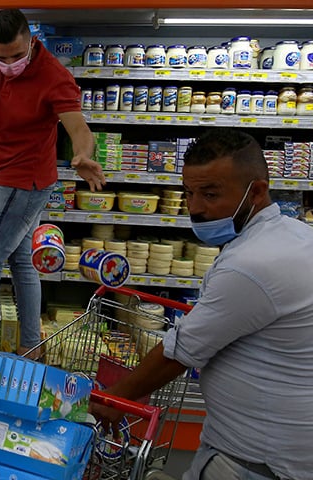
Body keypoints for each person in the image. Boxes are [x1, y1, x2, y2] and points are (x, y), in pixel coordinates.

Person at [92, 128, 313, 480]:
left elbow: (182, 351)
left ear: (256, 191)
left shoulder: (252, 265)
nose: (195, 208)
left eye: (210, 194)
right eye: (189, 193)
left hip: (255, 462)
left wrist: (114, 401)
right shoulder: (294, 235)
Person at [0, 8, 105, 356]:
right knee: (21, 260)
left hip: (23, 180)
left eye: (17, 55)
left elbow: (79, 129)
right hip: (7, 172)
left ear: (31, 42)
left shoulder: (54, 76)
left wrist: (83, 154)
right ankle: (31, 346)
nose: (9, 64)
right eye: (2, 55)